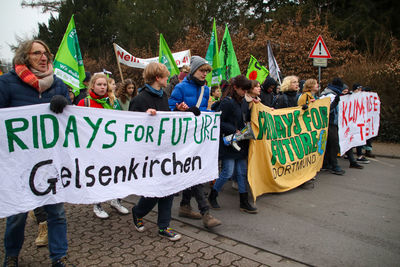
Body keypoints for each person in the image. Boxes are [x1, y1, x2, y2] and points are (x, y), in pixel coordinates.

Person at [0, 39, 75, 267]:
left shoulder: (58, 84)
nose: (44, 58)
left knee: (57, 213)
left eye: (46, 54)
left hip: (50, 163)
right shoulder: (7, 83)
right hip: (19, 165)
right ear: (25, 57)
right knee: (17, 216)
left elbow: (73, 120)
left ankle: (58, 257)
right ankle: (11, 256)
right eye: (37, 54)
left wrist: (66, 103)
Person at [129, 62, 182, 241]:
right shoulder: (139, 99)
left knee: (168, 188)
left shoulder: (164, 97)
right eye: (166, 76)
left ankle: (164, 226)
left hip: (165, 150)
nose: (168, 78)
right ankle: (138, 211)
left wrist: (179, 111)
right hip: (148, 154)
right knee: (155, 190)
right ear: (158, 78)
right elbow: (130, 127)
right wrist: (145, 117)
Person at [168, 56, 221, 229]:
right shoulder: (180, 87)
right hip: (183, 138)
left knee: (192, 171)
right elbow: (169, 108)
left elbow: (203, 111)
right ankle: (205, 212)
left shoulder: (206, 90)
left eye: (206, 71)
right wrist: (180, 109)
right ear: (193, 70)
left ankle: (184, 206)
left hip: (198, 138)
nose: (205, 74)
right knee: (194, 173)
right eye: (202, 70)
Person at [77, 73, 130, 219]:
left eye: (104, 84)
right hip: (94, 147)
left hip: (111, 145)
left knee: (117, 173)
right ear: (92, 86)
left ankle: (116, 200)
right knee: (98, 175)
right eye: (99, 84)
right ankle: (97, 204)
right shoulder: (84, 103)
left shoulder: (113, 102)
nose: (102, 87)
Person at [208, 75, 258, 214]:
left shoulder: (241, 101)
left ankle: (244, 202)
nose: (245, 93)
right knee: (227, 172)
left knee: (242, 173)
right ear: (235, 88)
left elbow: (244, 118)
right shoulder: (227, 102)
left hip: (240, 141)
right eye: (243, 90)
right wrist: (232, 129)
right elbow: (219, 121)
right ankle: (213, 195)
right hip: (229, 142)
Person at [320, 78, 345, 175]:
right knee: (333, 144)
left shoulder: (331, 94)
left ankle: (327, 164)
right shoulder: (329, 96)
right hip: (330, 123)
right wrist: (334, 104)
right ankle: (334, 165)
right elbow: (325, 110)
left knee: (330, 144)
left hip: (332, 122)